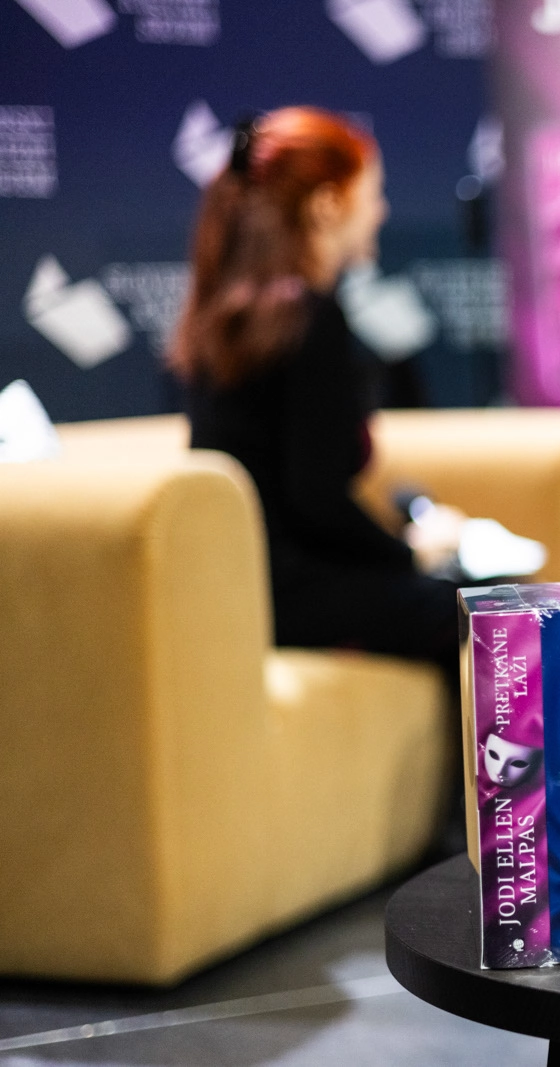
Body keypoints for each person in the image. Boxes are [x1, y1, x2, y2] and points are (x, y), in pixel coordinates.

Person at [170, 107, 464, 680]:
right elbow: (316, 499)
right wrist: (413, 552)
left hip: (246, 587)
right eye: (372, 195)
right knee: (498, 615)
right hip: (294, 596)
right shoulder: (307, 316)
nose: (381, 212)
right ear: (328, 205)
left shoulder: (234, 312)